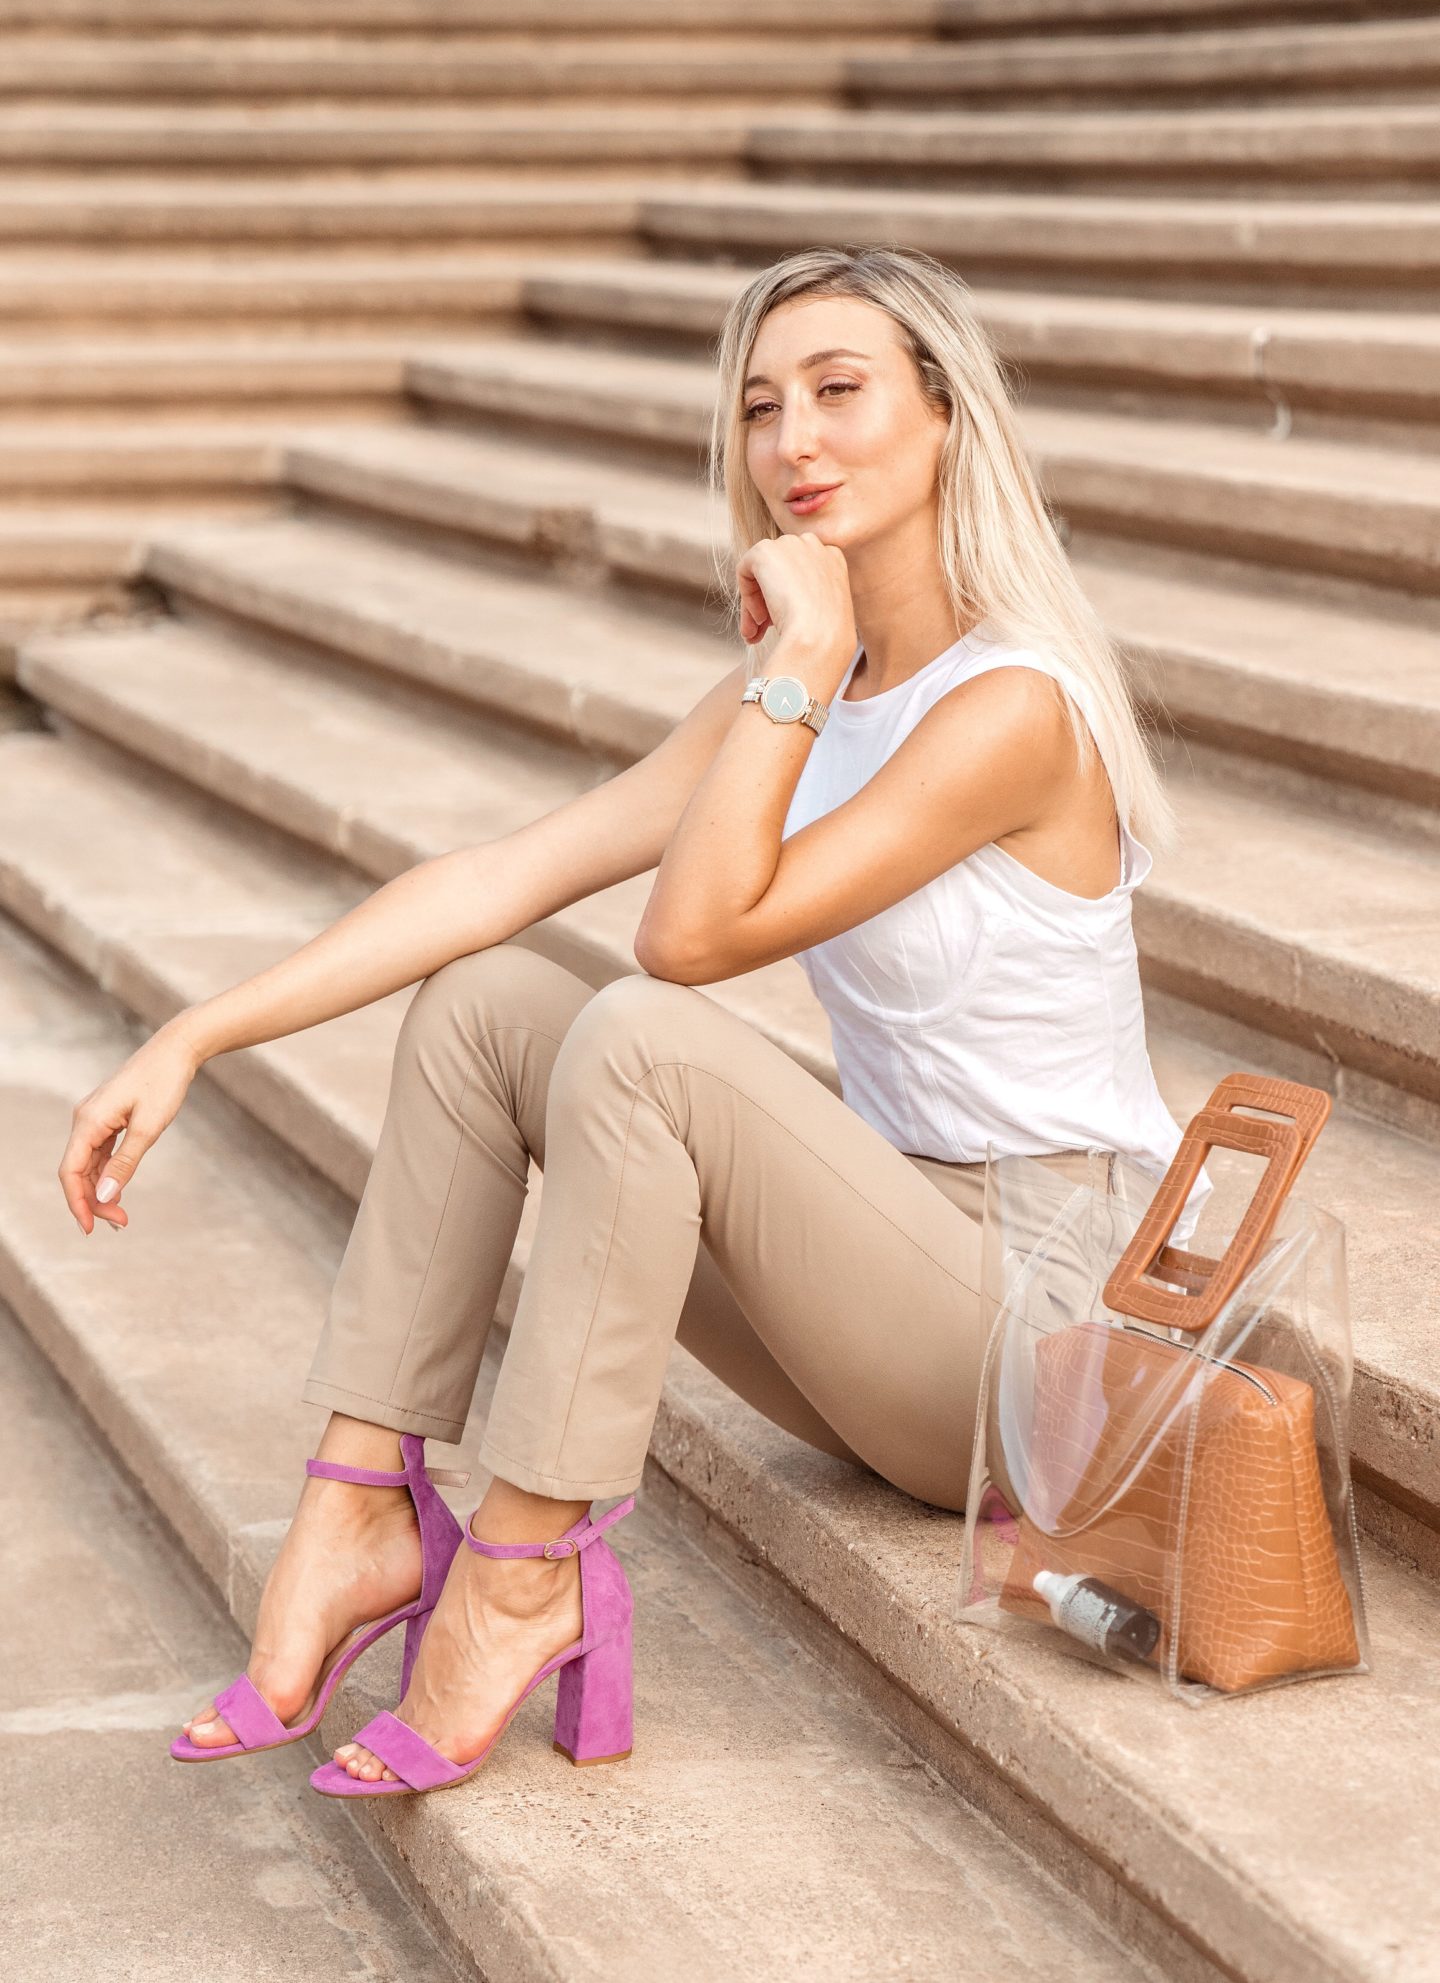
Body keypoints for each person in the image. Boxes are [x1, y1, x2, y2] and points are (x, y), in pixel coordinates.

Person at [57, 243, 1205, 1794]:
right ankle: (359, 1508)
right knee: (487, 1002)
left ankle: (524, 1565)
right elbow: (498, 880)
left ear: (946, 418)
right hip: (886, 1286)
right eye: (760, 405)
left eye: (841, 392)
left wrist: (797, 662)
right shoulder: (796, 694)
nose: (792, 441)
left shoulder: (1013, 709)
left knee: (645, 1038)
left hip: (1043, 1331)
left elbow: (688, 940)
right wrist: (198, 1032)